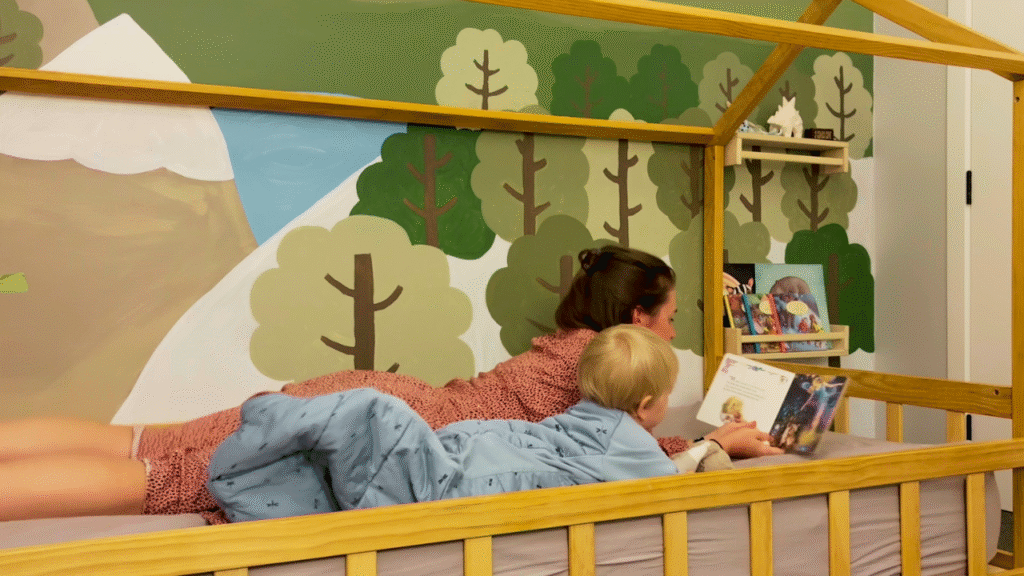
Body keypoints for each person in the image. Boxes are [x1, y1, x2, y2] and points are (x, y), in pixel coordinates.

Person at [0, 245, 779, 522]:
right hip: (398, 421)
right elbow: (619, 452)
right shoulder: (600, 367)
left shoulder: (559, 349)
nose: (675, 333)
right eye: (672, 318)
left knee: (152, 440)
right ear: (638, 318)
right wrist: (715, 443)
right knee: (170, 479)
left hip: (378, 392)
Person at [209, 325, 726, 522]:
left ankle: (285, 461)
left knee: (391, 437)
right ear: (646, 405)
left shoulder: (572, 417)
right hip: (463, 481)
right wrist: (704, 452)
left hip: (472, 445)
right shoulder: (632, 444)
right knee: (390, 435)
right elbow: (668, 485)